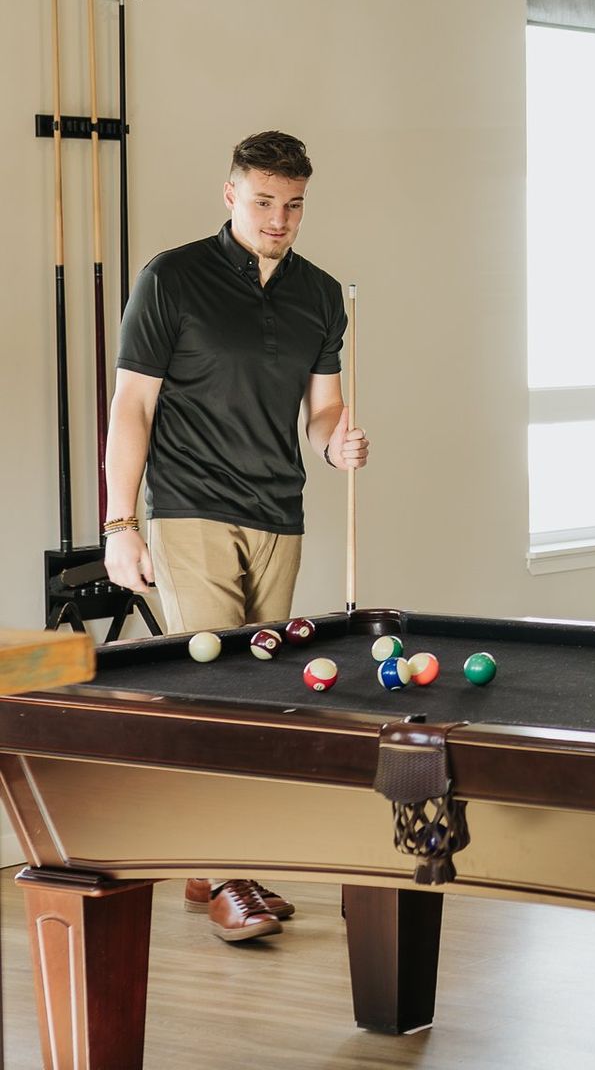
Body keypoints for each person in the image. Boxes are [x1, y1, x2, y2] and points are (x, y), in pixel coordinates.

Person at [102, 130, 371, 943]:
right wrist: (120, 523)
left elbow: (321, 407)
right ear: (230, 196)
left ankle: (212, 859)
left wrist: (335, 441)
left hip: (277, 511)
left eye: (292, 205)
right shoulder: (171, 278)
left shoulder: (321, 295)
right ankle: (227, 879)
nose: (278, 218)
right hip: (187, 506)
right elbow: (131, 409)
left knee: (261, 693)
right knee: (210, 685)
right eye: (262, 202)